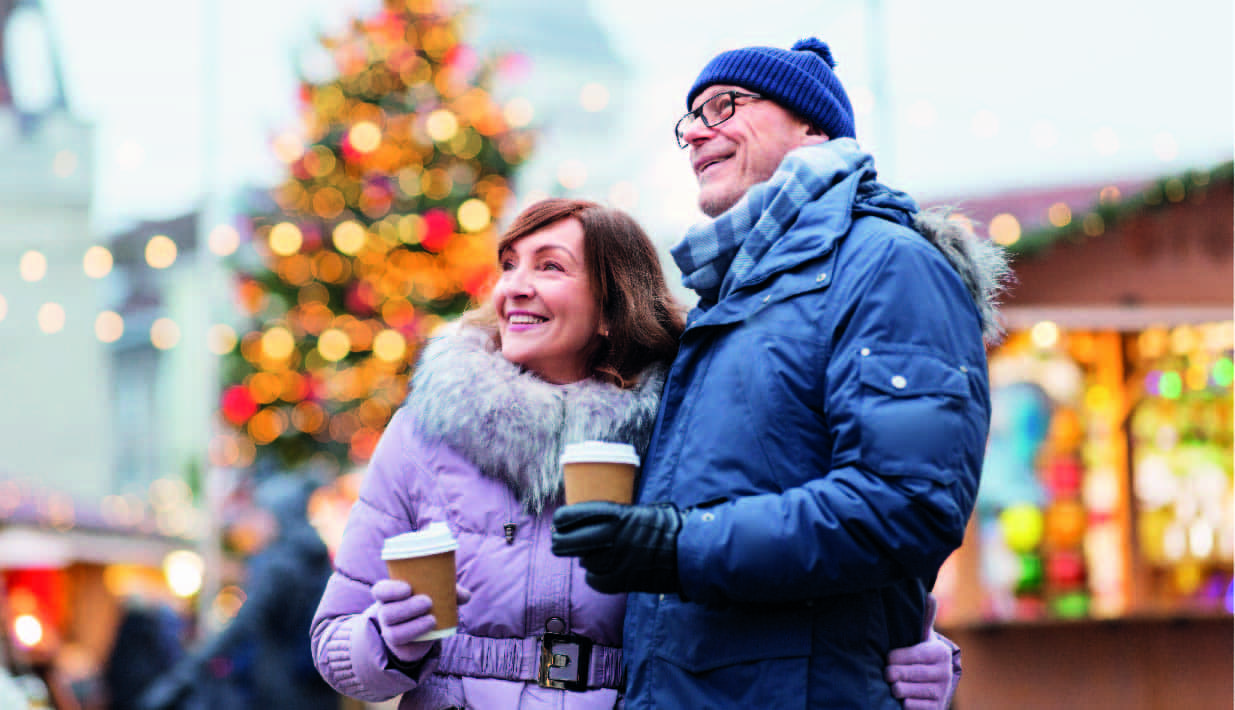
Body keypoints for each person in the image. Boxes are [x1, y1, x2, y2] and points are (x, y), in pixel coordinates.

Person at [309, 198, 957, 709]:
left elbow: (778, 561)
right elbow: (332, 645)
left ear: (610, 310)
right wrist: (384, 642)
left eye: (549, 266)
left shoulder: (689, 435)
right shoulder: (424, 431)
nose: (514, 287)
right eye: (509, 264)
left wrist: (919, 651)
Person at [551, 38, 1009, 709]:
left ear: (811, 125)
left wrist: (679, 544)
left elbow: (904, 502)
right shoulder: (731, 293)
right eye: (690, 119)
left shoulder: (885, 264)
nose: (697, 134)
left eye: (724, 106)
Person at [139, 474, 336, 710]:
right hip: (318, 693)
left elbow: (241, 626)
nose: (257, 523)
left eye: (263, 514)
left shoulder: (280, 565)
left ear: (280, 515)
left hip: (283, 694)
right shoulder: (316, 561)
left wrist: (180, 678)